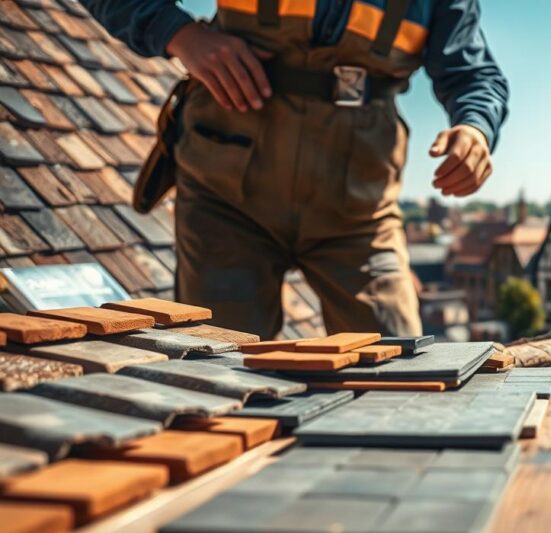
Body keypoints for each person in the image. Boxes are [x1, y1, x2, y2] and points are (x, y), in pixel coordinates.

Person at [81, 0, 509, 339]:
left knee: (396, 369)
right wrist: (179, 33)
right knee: (219, 375)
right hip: (226, 200)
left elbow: (475, 76)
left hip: (358, 214)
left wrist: (475, 127)